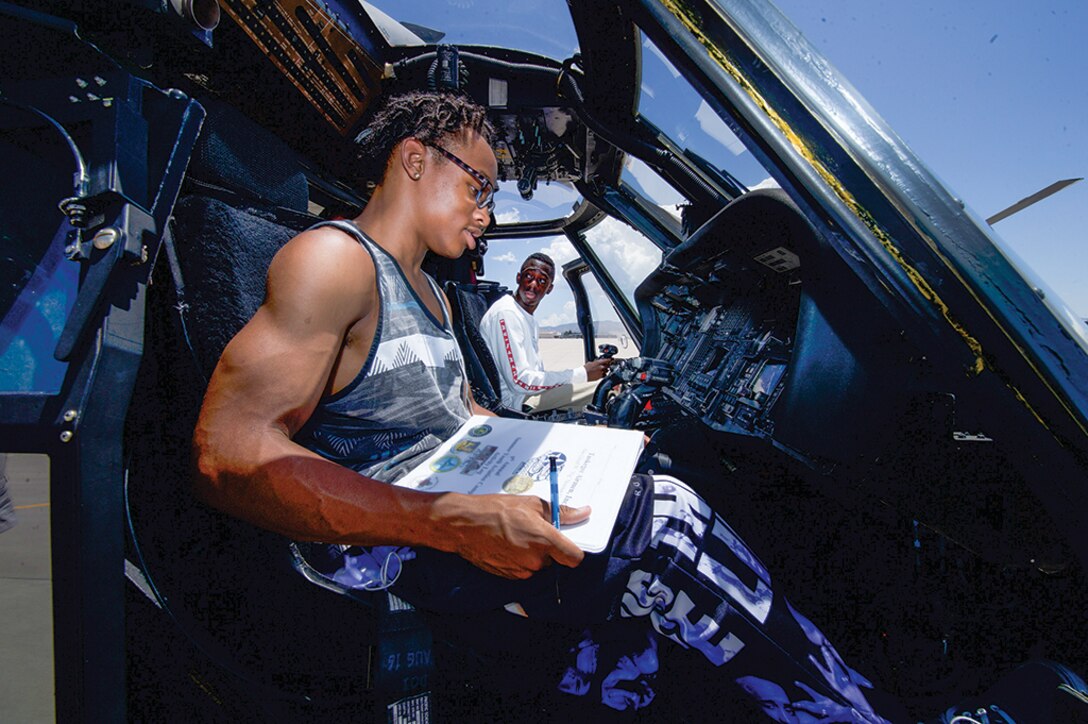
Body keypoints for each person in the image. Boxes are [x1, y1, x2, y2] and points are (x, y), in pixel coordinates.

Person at [192, 91, 1081, 722]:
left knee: (631, 468)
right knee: (666, 519)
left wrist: (549, 449)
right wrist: (449, 522)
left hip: (431, 506)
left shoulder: (430, 292)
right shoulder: (333, 261)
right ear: (415, 159)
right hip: (373, 550)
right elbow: (227, 454)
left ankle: (611, 682)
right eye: (479, 186)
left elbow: (457, 418)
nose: (488, 213)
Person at [479, 253, 611, 412]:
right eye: (529, 276)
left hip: (528, 394)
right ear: (518, 278)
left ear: (549, 288)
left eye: (542, 281)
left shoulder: (526, 317)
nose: (533, 284)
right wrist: (582, 374)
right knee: (607, 389)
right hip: (516, 402)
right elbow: (520, 381)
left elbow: (534, 375)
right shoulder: (507, 313)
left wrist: (581, 374)